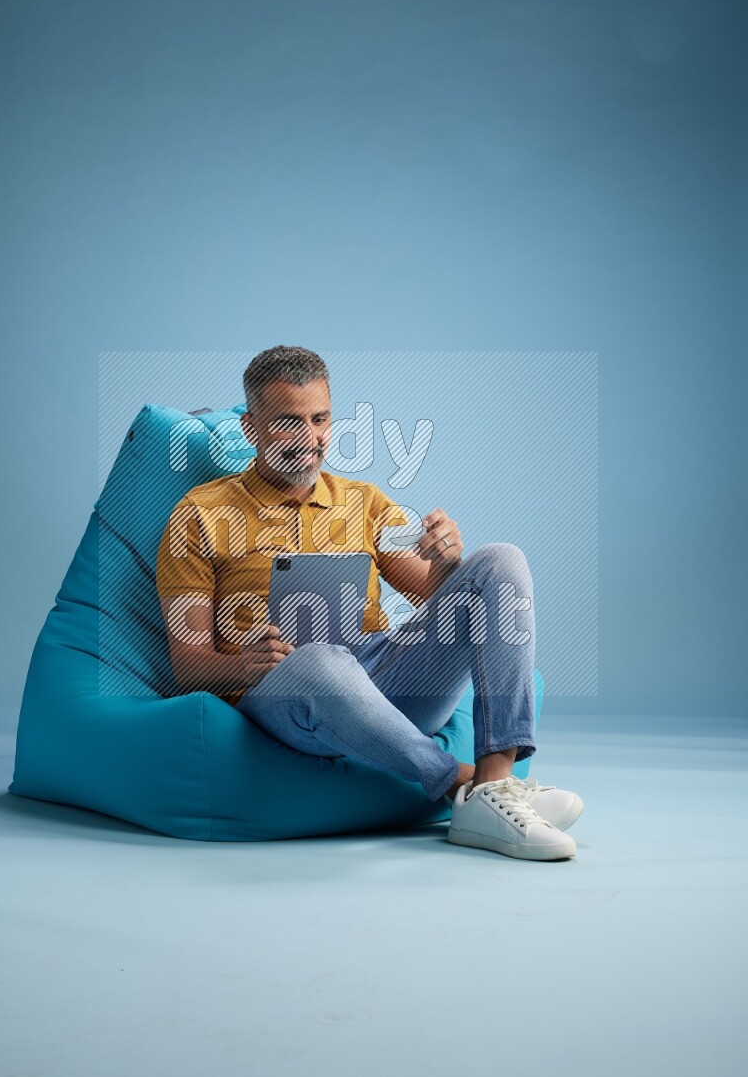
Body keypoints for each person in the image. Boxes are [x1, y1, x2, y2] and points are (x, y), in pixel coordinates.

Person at [156, 346, 584, 862]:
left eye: (320, 420)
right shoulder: (199, 514)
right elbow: (185, 666)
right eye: (288, 424)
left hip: (384, 682)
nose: (310, 440)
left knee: (499, 561)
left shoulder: (362, 501)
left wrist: (446, 560)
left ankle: (495, 785)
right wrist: (242, 664)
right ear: (251, 430)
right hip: (289, 697)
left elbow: (443, 603)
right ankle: (458, 785)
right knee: (317, 659)